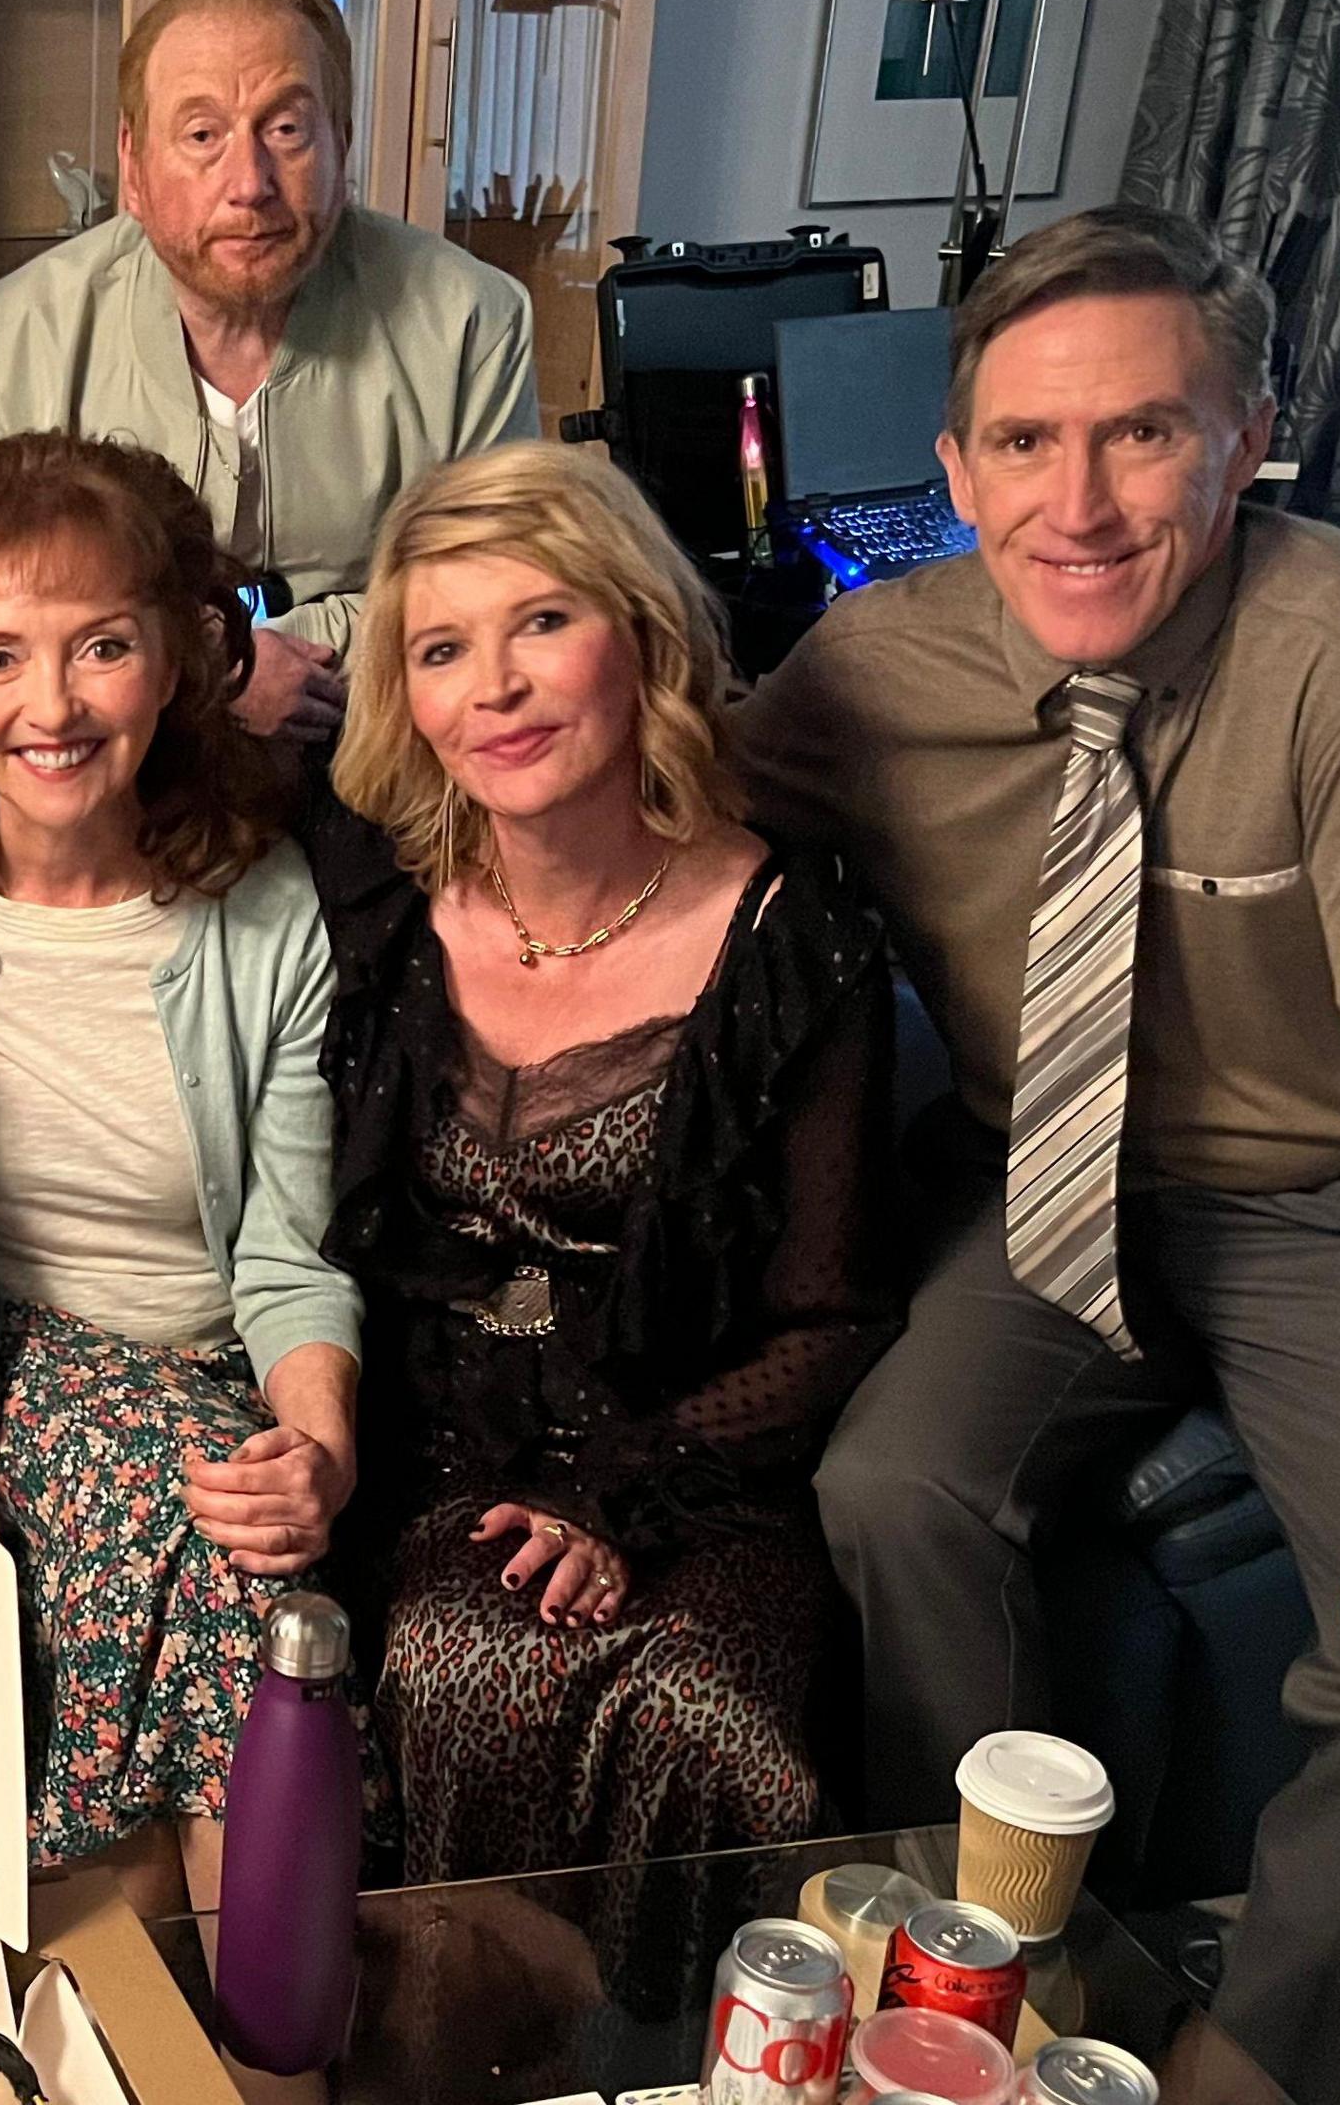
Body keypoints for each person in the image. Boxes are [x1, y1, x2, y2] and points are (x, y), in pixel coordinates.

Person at [734, 206, 1340, 2105]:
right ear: (954, 470)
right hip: (1044, 1182)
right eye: (1025, 444)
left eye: (1142, 433)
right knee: (893, 1489)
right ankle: (972, 1977)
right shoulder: (873, 667)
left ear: (1247, 435)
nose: (1080, 503)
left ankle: (1270, 2066)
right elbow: (667, 795)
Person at [304, 444, 897, 1948]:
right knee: (448, 1656)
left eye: (542, 623)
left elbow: (830, 1317)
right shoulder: (373, 901)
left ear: (640, 632)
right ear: (406, 696)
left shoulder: (791, 932)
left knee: (716, 1716)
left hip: (695, 1455)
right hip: (428, 1450)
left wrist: (619, 1491)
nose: (492, 687)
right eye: (441, 649)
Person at [0, 432, 362, 1897]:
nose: (49, 707)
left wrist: (316, 1452)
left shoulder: (264, 911)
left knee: (243, 1530)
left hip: (203, 1368)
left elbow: (285, 1254)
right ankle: (255, 2033)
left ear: (178, 659)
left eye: (99, 648)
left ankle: (137, 1973)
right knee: (217, 1571)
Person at [0, 0, 535, 743]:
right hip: (111, 767)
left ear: (342, 147)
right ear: (133, 165)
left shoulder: (472, 323)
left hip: (390, 745)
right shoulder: (4, 345)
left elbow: (493, 596)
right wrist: (218, 664)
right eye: (202, 133)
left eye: (286, 129)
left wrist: (259, 653)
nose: (249, 182)